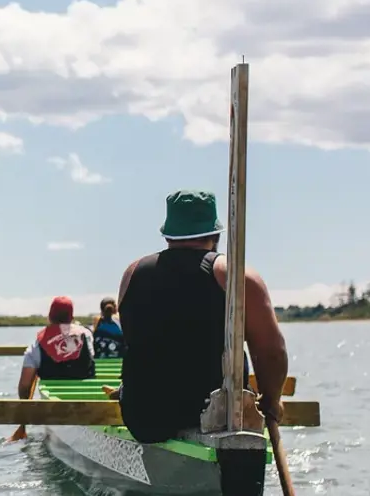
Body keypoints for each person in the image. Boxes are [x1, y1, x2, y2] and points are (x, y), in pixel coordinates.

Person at [113, 189, 289, 444]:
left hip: (145, 416)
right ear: (215, 234)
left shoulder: (132, 272)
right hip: (221, 415)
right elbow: (272, 351)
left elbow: (134, 339)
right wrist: (272, 401)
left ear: (167, 235)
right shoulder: (236, 274)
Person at [16, 296, 96, 399]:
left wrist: (27, 408)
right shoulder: (86, 335)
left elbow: (25, 386)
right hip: (86, 404)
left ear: (50, 317)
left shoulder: (38, 344)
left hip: (51, 408)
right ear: (71, 317)